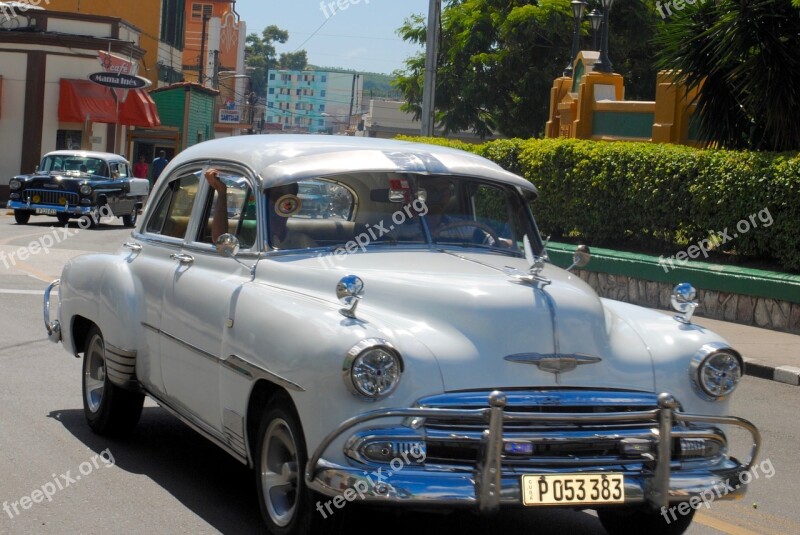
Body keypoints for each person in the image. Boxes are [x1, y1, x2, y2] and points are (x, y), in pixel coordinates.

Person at [204, 168, 315, 250]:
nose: (276, 205)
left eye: (286, 201)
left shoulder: (302, 241)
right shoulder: (250, 237)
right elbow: (221, 241)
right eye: (272, 198)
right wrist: (221, 192)